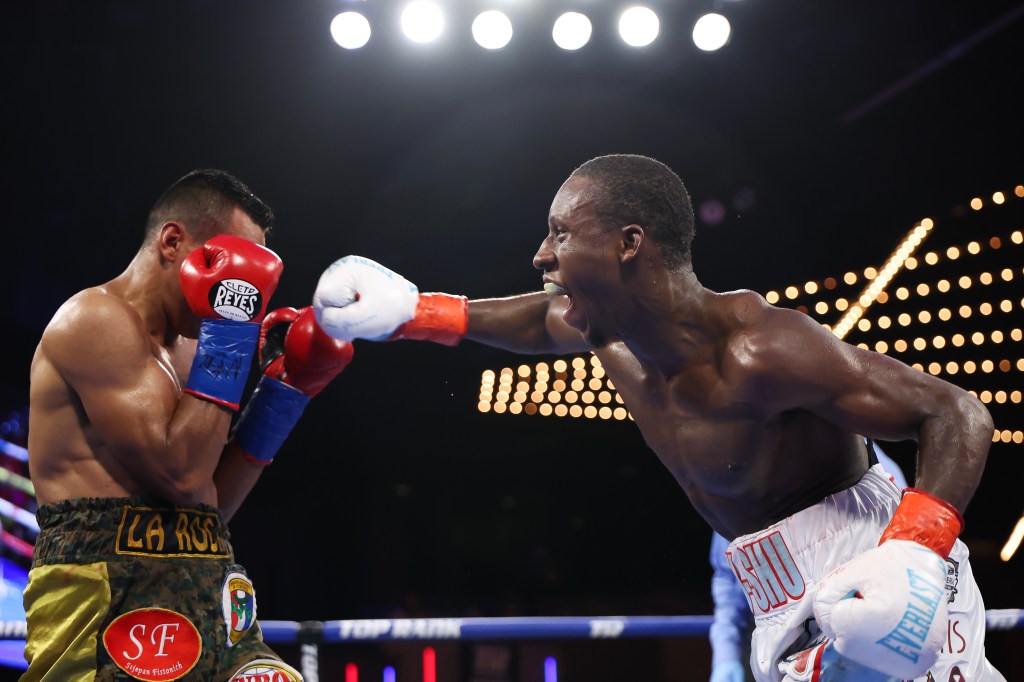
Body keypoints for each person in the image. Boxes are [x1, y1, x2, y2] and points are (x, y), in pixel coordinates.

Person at [310, 153, 1005, 681]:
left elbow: (955, 411)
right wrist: (414, 311)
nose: (541, 254)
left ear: (627, 243)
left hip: (873, 567)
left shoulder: (762, 349)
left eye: (560, 233)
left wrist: (914, 550)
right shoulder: (607, 333)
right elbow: (531, 318)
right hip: (776, 594)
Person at [24, 169, 353, 681]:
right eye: (231, 269)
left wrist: (284, 394)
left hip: (213, 592)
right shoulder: (92, 319)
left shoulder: (199, 349)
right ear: (174, 242)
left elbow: (206, 501)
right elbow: (177, 474)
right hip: (112, 605)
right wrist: (233, 325)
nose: (243, 289)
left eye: (252, 280)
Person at [707, 441, 909, 682]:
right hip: (767, 633)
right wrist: (725, 654)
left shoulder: (885, 477)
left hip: (856, 625)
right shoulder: (746, 479)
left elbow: (900, 568)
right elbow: (728, 577)